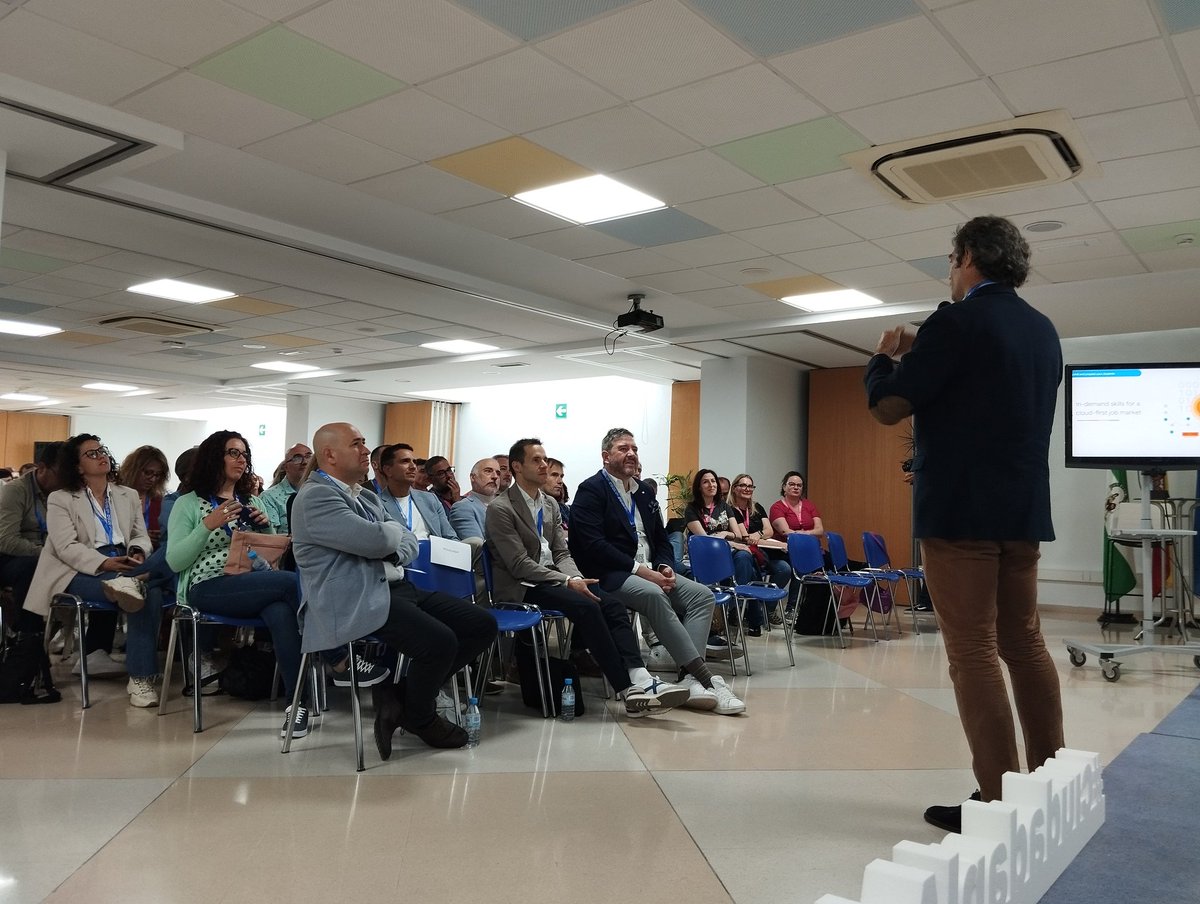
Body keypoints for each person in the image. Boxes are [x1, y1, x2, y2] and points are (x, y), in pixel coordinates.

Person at [863, 214, 1064, 833]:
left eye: (951, 262)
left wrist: (884, 360)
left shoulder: (955, 321)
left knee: (972, 651)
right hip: (1022, 514)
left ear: (969, 256)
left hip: (960, 517)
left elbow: (889, 405)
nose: (950, 275)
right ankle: (1050, 782)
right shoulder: (1043, 329)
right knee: (1024, 644)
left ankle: (998, 802)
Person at [291, 422, 498, 756]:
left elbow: (407, 544)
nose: (364, 450)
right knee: (440, 642)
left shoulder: (364, 495)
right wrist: (389, 537)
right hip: (351, 597)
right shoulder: (316, 497)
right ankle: (421, 716)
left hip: (392, 586)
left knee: (481, 625)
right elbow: (378, 539)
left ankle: (400, 697)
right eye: (356, 444)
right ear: (329, 454)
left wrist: (389, 539)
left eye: (363, 442)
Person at [486, 438, 689, 717]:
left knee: (611, 604)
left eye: (545, 459)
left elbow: (561, 552)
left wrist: (576, 577)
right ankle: (627, 689)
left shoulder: (549, 504)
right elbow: (519, 564)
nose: (544, 465)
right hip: (522, 586)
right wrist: (567, 582)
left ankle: (640, 676)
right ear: (517, 466)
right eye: (537, 460)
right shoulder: (501, 508)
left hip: (556, 579)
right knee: (587, 607)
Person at [568, 427, 745, 715]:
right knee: (653, 594)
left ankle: (689, 678)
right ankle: (705, 678)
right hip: (612, 574)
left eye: (634, 449)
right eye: (623, 448)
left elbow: (661, 538)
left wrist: (664, 565)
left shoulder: (643, 492)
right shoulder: (591, 490)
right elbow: (592, 545)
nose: (631, 454)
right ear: (605, 456)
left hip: (652, 571)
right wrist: (641, 570)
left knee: (702, 596)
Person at [165, 430, 305, 736]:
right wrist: (207, 525)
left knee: (281, 611)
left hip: (253, 580)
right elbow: (175, 561)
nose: (241, 460)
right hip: (209, 586)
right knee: (291, 585)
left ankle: (297, 705)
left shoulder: (251, 500)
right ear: (214, 457)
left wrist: (266, 529)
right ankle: (335, 656)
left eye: (244, 454)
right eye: (233, 453)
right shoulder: (188, 503)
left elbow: (270, 553)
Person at [24, 435, 164, 707]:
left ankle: (129, 583)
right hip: (78, 568)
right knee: (151, 591)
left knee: (157, 573)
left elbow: (140, 535)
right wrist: (104, 564)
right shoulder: (61, 499)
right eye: (91, 454)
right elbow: (65, 547)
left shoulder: (127, 494)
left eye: (102, 451)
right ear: (76, 466)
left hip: (124, 560)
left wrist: (137, 551)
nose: (101, 456)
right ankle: (141, 678)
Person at [684, 468, 765, 634]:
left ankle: (735, 606)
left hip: (727, 553)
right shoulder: (692, 509)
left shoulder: (724, 507)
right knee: (744, 556)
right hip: (706, 556)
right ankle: (746, 614)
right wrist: (732, 543)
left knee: (744, 556)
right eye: (706, 481)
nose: (711, 484)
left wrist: (726, 534)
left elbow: (736, 534)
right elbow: (704, 539)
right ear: (699, 487)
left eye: (713, 481)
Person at [0, 442, 62, 633]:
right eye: (61, 473)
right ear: (42, 468)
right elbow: (5, 540)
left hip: (50, 557)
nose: (66, 480)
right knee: (31, 566)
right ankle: (28, 635)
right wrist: (45, 554)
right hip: (10, 558)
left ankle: (95, 647)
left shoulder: (64, 495)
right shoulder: (16, 490)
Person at [728, 472, 792, 625]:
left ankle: (767, 609)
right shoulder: (730, 509)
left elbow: (769, 530)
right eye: (743, 485)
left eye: (750, 486)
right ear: (735, 488)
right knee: (747, 563)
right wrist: (756, 536)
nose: (747, 489)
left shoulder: (757, 507)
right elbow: (744, 537)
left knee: (784, 569)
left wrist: (758, 534)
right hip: (743, 551)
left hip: (763, 551)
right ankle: (741, 610)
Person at [377, 444, 458, 541]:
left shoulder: (430, 499)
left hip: (434, 553)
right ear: (388, 470)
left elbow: (450, 537)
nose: (413, 467)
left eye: (414, 462)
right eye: (405, 461)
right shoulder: (376, 504)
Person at [258, 442, 312, 533]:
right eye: (297, 458)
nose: (305, 462)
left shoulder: (321, 492)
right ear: (286, 467)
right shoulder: (269, 497)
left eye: (309, 457)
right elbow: (271, 538)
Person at [449, 457, 501, 541]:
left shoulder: (510, 507)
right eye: (488, 471)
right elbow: (478, 547)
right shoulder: (463, 508)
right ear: (473, 477)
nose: (495, 476)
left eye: (498, 473)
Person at [769, 472, 824, 544]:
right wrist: (810, 534)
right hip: (788, 548)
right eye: (792, 484)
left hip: (811, 546)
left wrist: (805, 533)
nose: (796, 487)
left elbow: (820, 531)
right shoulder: (777, 507)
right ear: (784, 487)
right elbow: (786, 532)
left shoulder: (809, 505)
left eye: (799, 485)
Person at [544, 457, 570, 530]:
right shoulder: (529, 506)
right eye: (554, 475)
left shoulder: (563, 509)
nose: (560, 481)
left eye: (561, 476)